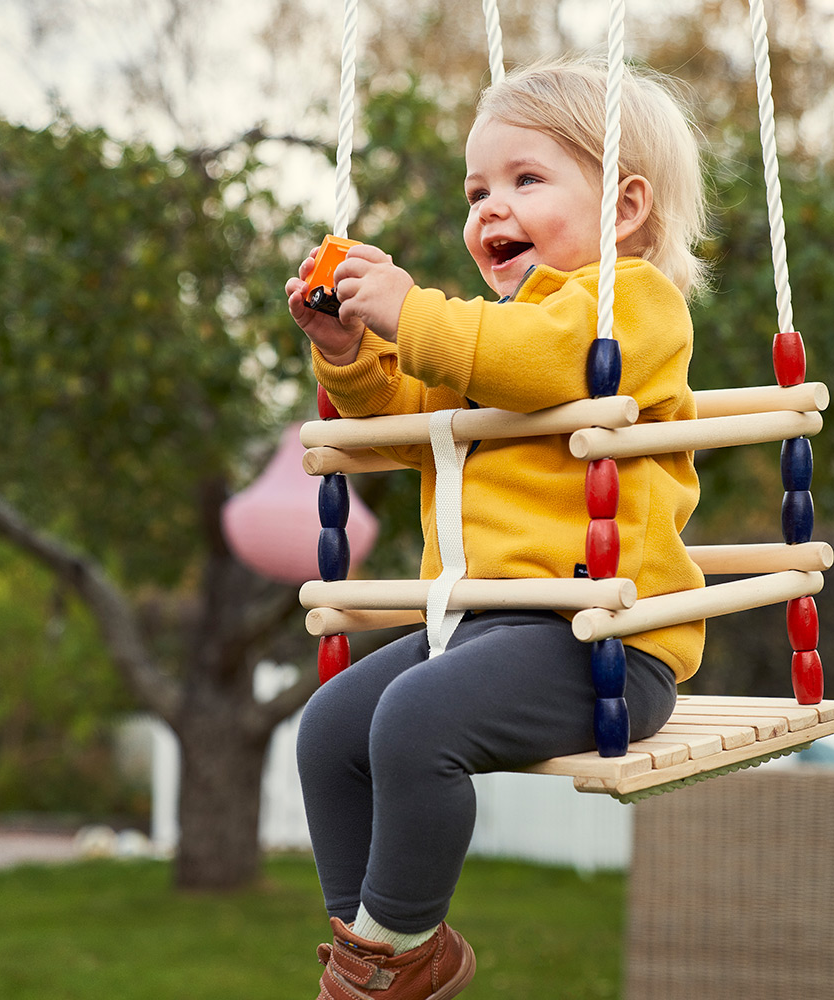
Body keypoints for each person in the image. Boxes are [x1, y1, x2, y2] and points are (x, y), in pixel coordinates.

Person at [285, 56, 710, 1000]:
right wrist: (355, 355)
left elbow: (548, 363)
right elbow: (402, 424)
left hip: (604, 641)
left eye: (526, 180)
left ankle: (383, 961)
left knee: (415, 718)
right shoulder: (487, 332)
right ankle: (389, 948)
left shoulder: (631, 305)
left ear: (625, 206)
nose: (488, 208)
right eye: (477, 189)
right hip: (482, 625)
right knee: (330, 729)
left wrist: (414, 310)